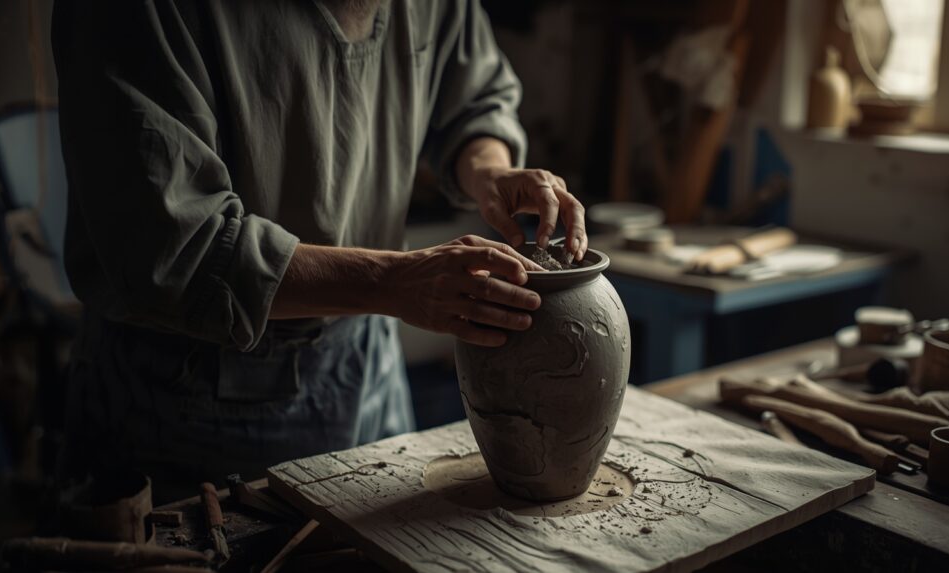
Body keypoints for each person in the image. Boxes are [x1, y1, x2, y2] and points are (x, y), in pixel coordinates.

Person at [52, 0, 587, 501]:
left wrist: (489, 170)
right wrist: (391, 283)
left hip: (367, 355)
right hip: (189, 391)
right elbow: (169, 247)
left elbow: (474, 99)